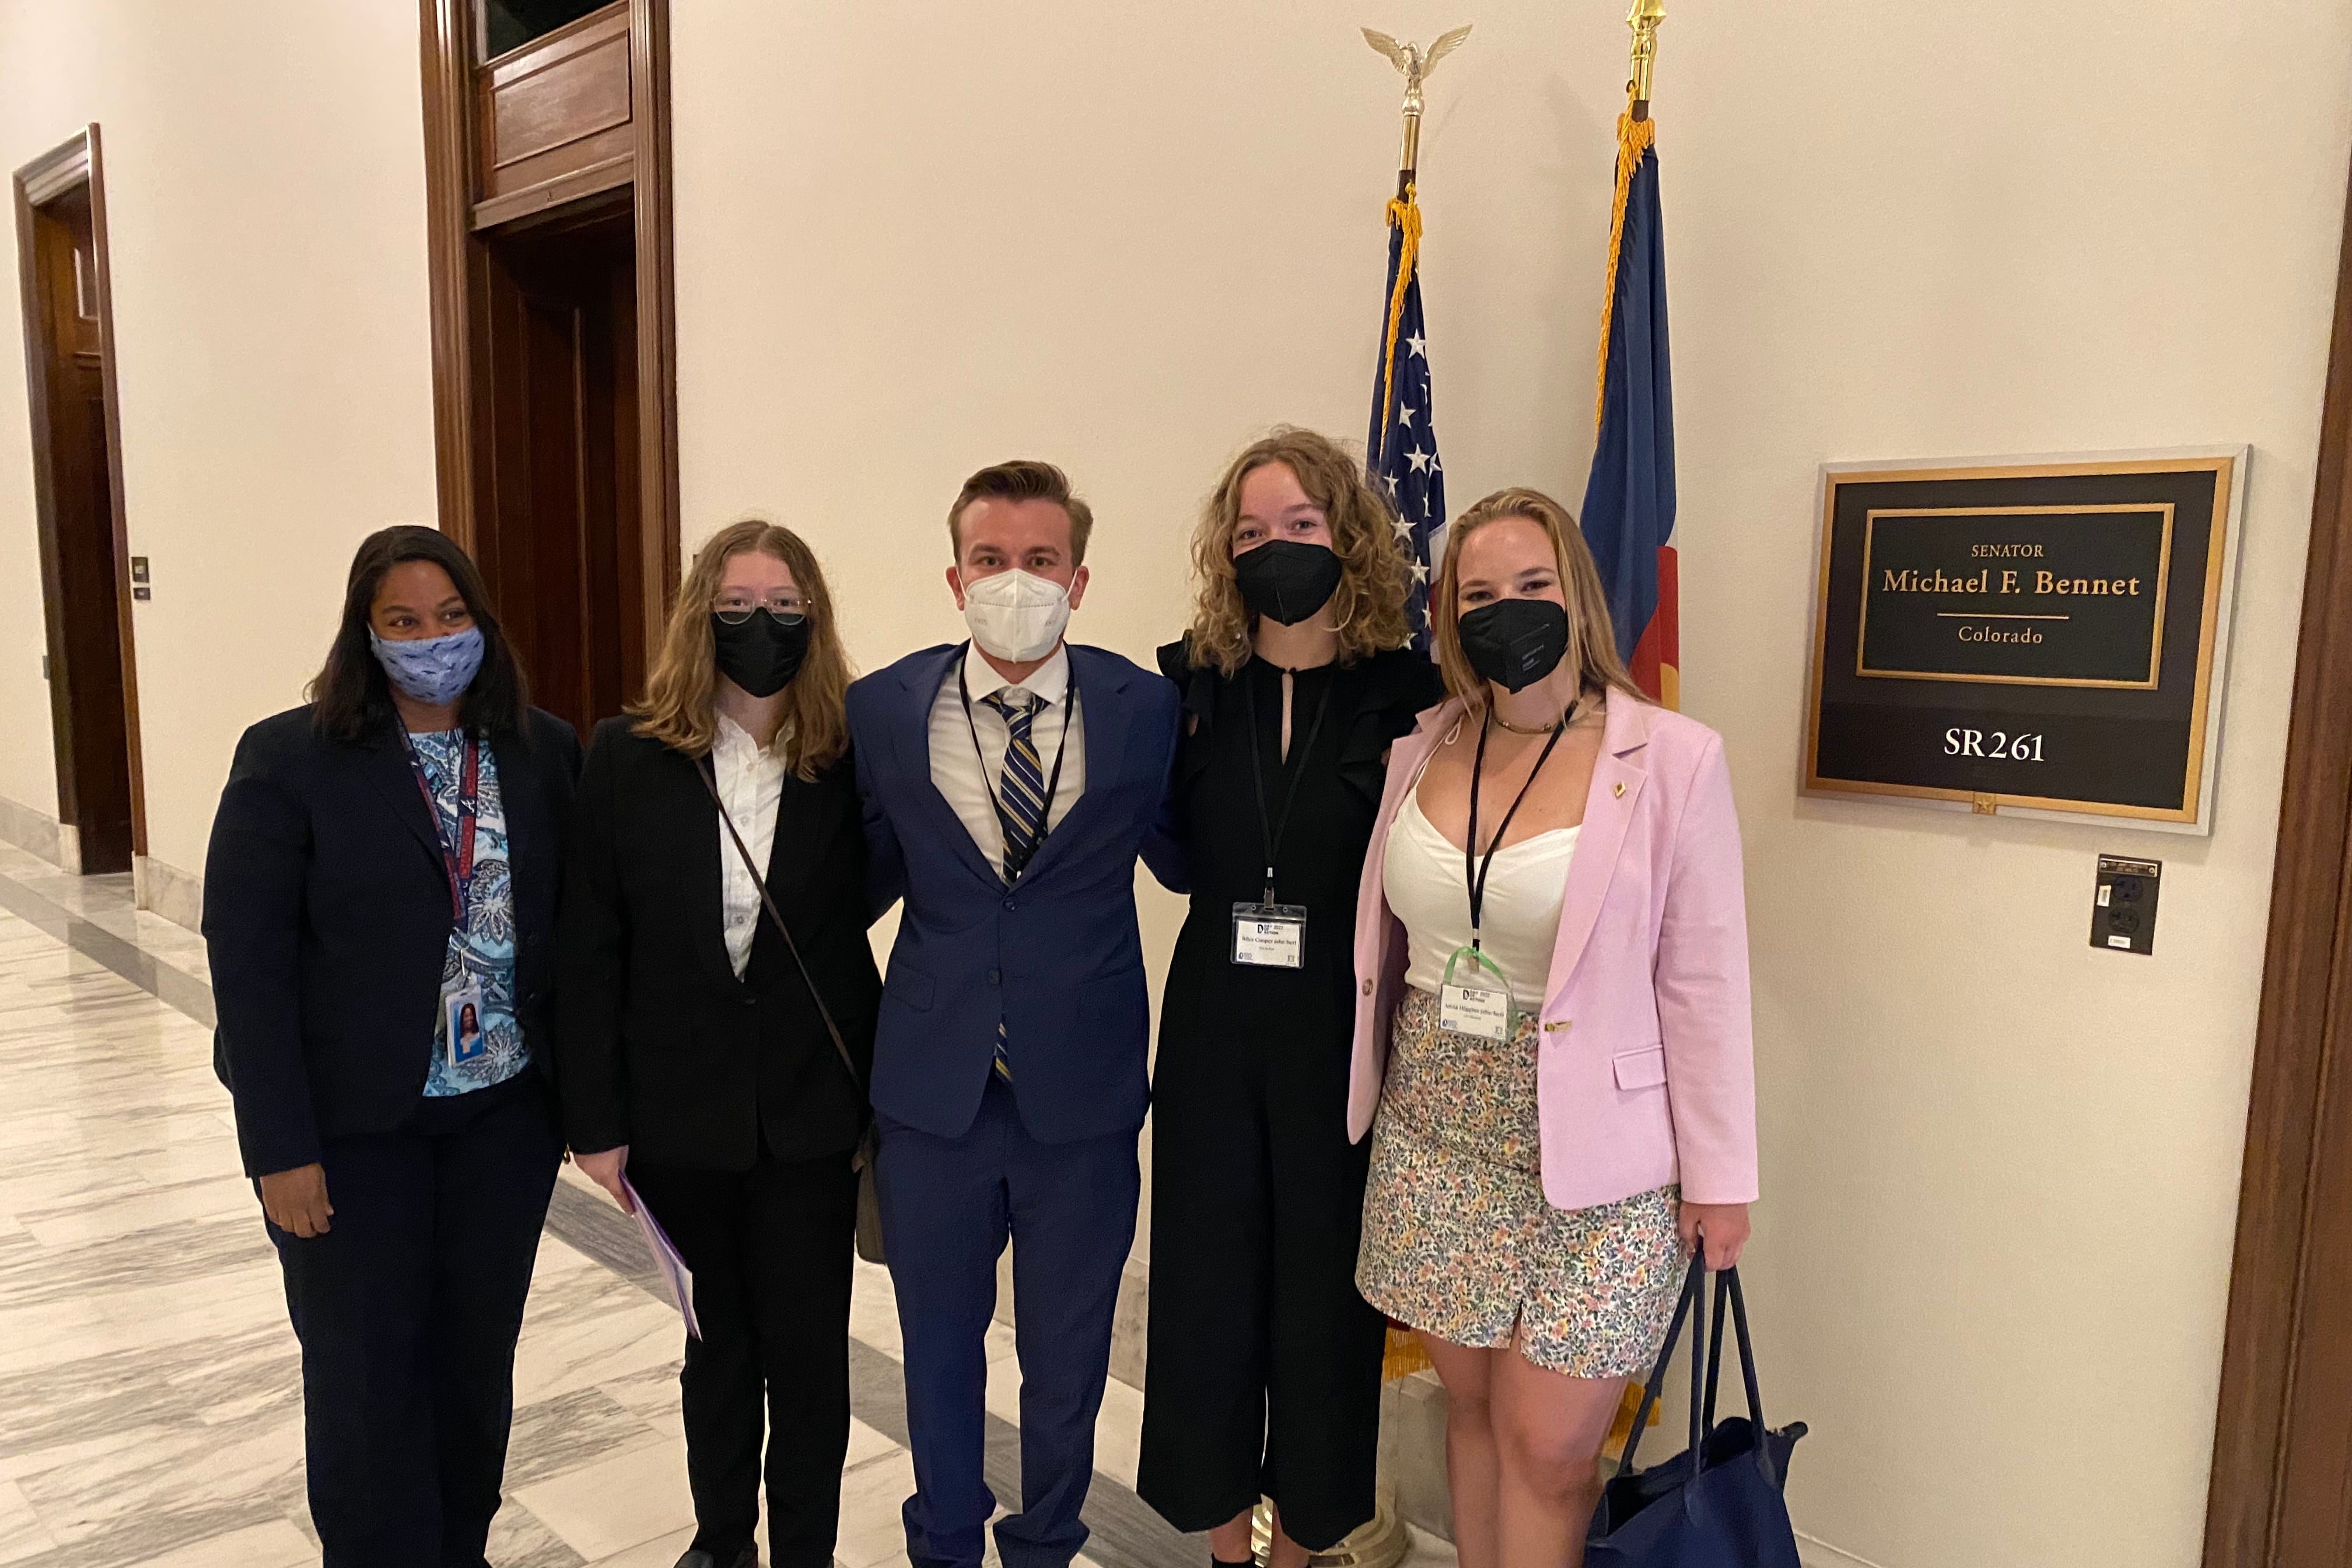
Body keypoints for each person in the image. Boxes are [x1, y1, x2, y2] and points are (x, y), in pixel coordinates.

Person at [1348, 488, 1758, 1568]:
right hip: (1434, 1131)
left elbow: (1705, 980)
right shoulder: (1424, 743)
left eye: (1532, 586)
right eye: (1478, 593)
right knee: (1474, 1415)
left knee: (1552, 1449)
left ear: (1577, 594)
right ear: (1447, 614)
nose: (1507, 610)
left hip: (1604, 1162)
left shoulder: (1671, 759)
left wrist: (1722, 1177)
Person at [203, 525, 582, 1568]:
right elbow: (250, 967)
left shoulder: (543, 751)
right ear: (364, 636)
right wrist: (280, 1150)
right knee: (367, 1383)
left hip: (501, 1124)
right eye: (403, 623)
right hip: (353, 1135)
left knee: (473, 1370)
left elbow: (579, 937)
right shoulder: (290, 759)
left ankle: (463, 1549)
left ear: (482, 624)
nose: (432, 640)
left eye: (452, 617)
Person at [845, 460, 1181, 1568]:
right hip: (933, 1093)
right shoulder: (887, 709)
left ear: (1079, 580)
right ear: (954, 575)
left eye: (1041, 561)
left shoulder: (1144, 710)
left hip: (1080, 1095)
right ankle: (942, 1538)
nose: (1015, 581)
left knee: (1068, 1353)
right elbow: (857, 877)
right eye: (992, 560)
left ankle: (1047, 1541)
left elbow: (1188, 856)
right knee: (937, 1346)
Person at [1136, 429, 1442, 1566]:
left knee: (1323, 1311)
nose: (1277, 550)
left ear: (1349, 539)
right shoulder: (1188, 688)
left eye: (1301, 527)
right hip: (1214, 1029)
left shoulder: (1410, 698)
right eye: (1253, 532)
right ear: (1227, 553)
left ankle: (1307, 1547)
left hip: (1339, 1037)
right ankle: (1227, 1549)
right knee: (1209, 1304)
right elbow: (1164, 847)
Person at [557, 519, 880, 1568]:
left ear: (815, 622)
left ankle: (806, 1554)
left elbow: (868, 921)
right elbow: (592, 946)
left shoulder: (851, 759)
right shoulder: (627, 757)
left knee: (811, 1363)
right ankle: (721, 1544)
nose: (761, 627)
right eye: (736, 607)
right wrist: (596, 1124)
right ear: (700, 619)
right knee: (715, 1352)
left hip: (809, 1116)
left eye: (785, 608)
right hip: (679, 1116)